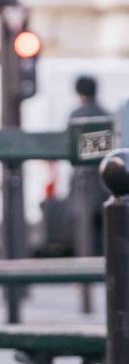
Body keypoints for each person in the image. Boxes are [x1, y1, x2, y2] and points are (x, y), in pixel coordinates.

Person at [70, 74, 112, 258]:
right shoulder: (106, 114)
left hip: (83, 181)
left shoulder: (77, 116)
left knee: (84, 231)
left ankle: (83, 280)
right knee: (108, 228)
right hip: (107, 179)